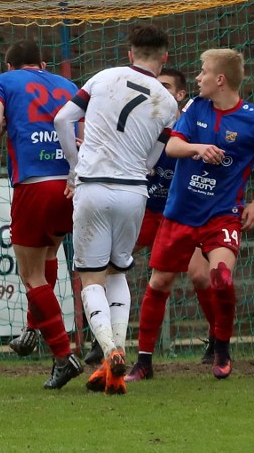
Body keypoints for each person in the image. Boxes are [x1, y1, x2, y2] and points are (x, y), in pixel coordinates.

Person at [126, 48, 254, 382]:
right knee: (159, 283)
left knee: (221, 278)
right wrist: (198, 149)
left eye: (203, 72)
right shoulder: (195, 108)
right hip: (180, 212)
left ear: (220, 79)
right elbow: (172, 148)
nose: (198, 77)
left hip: (222, 214)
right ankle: (144, 362)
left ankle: (222, 351)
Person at [54, 23, 177, 395]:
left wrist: (75, 169)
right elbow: (158, 154)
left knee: (90, 276)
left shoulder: (103, 78)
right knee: (118, 270)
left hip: (92, 187)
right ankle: (118, 356)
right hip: (134, 193)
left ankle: (110, 350)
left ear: (130, 54)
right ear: (164, 58)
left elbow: (62, 119)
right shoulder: (169, 102)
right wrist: (142, 166)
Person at [82, 68, 218, 366]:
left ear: (181, 95)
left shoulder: (190, 123)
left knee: (199, 275)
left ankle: (217, 338)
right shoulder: (139, 124)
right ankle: (101, 338)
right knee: (101, 267)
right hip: (146, 210)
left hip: (181, 213)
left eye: (166, 87)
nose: (157, 92)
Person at [0, 39, 84, 390]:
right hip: (74, 186)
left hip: (35, 183)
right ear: (42, 63)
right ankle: (32, 327)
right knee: (50, 253)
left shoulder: (2, 82)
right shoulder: (68, 85)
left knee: (30, 275)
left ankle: (62, 353)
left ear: (10, 66)